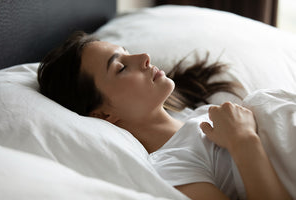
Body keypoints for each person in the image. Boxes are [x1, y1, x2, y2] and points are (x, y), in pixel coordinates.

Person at [37, 31, 291, 200]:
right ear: (103, 114)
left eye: (128, 51)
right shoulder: (172, 167)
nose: (144, 57)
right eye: (121, 67)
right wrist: (243, 140)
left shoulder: (197, 114)